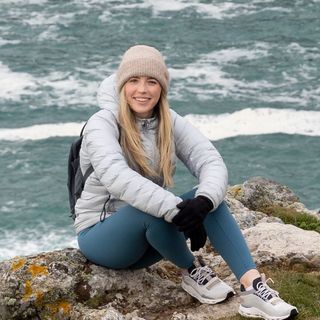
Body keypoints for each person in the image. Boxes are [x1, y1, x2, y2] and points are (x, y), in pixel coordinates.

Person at [75, 45, 298, 320]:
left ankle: (252, 287)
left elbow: (210, 161)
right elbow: (118, 178)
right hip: (102, 239)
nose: (142, 89)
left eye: (151, 81)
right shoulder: (102, 123)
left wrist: (203, 204)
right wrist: (178, 210)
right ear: (122, 85)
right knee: (152, 206)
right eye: (134, 81)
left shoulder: (167, 120)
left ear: (162, 88)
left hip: (151, 242)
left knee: (209, 199)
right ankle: (191, 267)